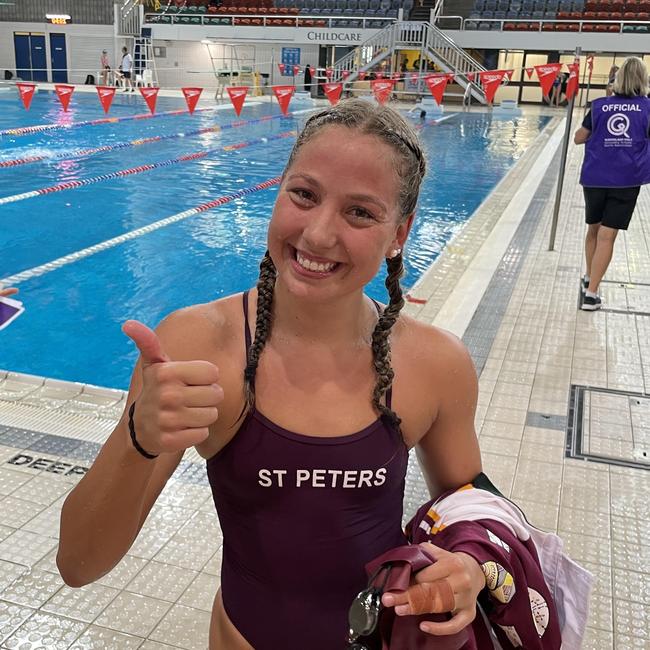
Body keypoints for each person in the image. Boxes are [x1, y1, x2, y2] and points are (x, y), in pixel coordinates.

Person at [57, 101, 581, 649]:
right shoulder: (199, 347)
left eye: (360, 212)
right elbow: (78, 563)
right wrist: (136, 439)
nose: (319, 234)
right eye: (304, 195)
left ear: (399, 233)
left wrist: (471, 566)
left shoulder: (435, 364)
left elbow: (471, 502)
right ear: (278, 189)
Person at [575, 56, 650, 311]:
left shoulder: (598, 106)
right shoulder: (647, 108)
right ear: (643, 80)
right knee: (608, 236)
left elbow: (578, 138)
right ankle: (592, 294)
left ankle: (588, 276)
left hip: (595, 177)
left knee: (594, 230)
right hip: (626, 180)